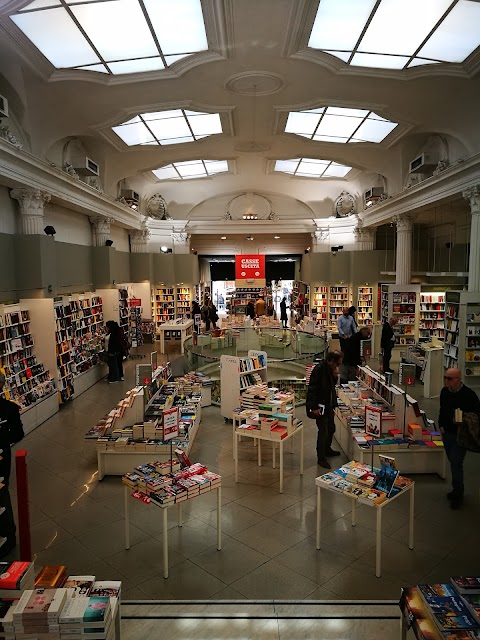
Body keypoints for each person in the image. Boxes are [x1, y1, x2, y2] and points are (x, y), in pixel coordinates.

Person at [439, 368, 480, 509]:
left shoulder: (469, 395)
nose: (446, 381)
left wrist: (464, 420)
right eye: (445, 377)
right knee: (452, 460)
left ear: (458, 379)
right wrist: (441, 425)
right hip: (446, 433)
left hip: (460, 435)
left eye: (449, 378)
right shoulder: (444, 392)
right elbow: (442, 409)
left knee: (456, 463)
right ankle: (456, 489)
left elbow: (476, 416)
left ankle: (458, 493)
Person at [0, 372, 24, 558]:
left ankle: (8, 535)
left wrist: (1, 439)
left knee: (2, 495)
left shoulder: (9, 408)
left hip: (1, 460)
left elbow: (18, 433)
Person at [306, 351, 343, 469]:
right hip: (320, 406)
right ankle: (321, 458)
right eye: (337, 364)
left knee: (331, 428)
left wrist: (335, 375)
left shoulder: (329, 369)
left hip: (328, 405)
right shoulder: (319, 370)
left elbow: (331, 386)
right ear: (331, 360)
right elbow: (312, 389)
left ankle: (327, 449)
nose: (338, 367)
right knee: (323, 431)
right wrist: (314, 407)